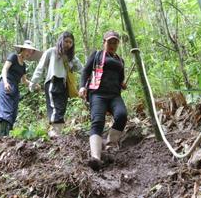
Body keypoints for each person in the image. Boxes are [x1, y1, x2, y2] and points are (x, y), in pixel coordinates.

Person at [79, 30, 128, 171]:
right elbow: (85, 71)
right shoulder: (97, 55)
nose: (112, 45)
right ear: (104, 42)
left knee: (121, 115)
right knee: (98, 120)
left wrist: (122, 83)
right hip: (97, 93)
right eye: (109, 42)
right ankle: (95, 157)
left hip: (114, 94)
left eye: (115, 42)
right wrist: (82, 87)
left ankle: (110, 143)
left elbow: (120, 78)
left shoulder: (120, 60)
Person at [30, 31, 83, 137]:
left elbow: (82, 69)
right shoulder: (51, 52)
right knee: (55, 107)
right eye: (66, 41)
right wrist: (33, 82)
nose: (68, 44)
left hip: (64, 85)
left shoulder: (71, 57)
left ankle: (56, 132)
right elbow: (40, 67)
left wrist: (93, 77)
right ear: (61, 41)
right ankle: (55, 132)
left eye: (70, 42)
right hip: (53, 83)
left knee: (62, 107)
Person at [0, 40, 41, 136]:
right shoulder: (13, 57)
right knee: (5, 110)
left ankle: (8, 136)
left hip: (14, 87)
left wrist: (34, 84)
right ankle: (2, 136)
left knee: (13, 111)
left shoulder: (23, 65)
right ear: (23, 49)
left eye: (31, 52)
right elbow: (4, 69)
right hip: (6, 83)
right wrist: (5, 83)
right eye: (28, 51)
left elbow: (24, 81)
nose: (29, 53)